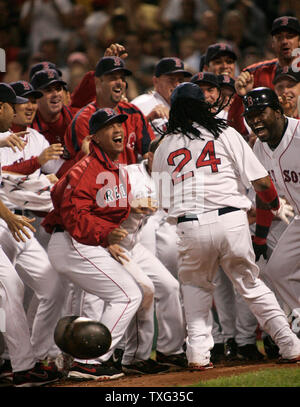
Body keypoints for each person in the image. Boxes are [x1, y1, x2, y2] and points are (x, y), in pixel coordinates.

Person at [152, 81, 300, 370]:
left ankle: (197, 354)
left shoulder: (164, 145)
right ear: (202, 106)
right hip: (231, 220)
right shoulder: (224, 132)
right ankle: (290, 344)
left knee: (195, 290)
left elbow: (164, 200)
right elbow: (261, 182)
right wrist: (273, 205)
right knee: (251, 286)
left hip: (189, 225)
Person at [42, 108, 144, 381]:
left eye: (120, 125)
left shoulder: (113, 169)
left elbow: (61, 193)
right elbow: (74, 215)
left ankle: (72, 357)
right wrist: (103, 235)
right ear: (94, 137)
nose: (118, 130)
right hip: (73, 241)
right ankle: (90, 360)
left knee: (94, 302)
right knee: (127, 295)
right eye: (109, 126)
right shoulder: (86, 168)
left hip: (84, 243)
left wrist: (106, 236)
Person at [0, 82, 62, 387]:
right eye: (14, 104)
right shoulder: (5, 139)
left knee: (52, 284)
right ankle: (21, 367)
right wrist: (10, 213)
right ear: (2, 108)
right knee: (10, 288)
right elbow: (8, 184)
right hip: (8, 220)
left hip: (18, 224)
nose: (19, 109)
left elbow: (16, 178)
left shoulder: (23, 138)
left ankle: (33, 358)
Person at [243, 86, 300, 326]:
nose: (254, 120)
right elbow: (263, 193)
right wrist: (260, 238)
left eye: (260, 113)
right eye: (250, 115)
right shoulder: (259, 147)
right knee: (277, 270)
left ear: (277, 111)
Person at [64, 56, 155, 164]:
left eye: (122, 78)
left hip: (130, 178)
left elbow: (149, 152)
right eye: (113, 78)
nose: (119, 82)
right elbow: (84, 165)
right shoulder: (84, 119)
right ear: (98, 82)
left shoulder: (133, 112)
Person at [229, 15, 300, 137]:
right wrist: (241, 96)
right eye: (279, 38)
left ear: (299, 41)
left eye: (290, 36)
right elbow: (235, 127)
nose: (284, 41)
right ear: (272, 43)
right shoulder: (254, 74)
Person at [30, 68, 79, 177]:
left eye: (58, 89)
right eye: (48, 90)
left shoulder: (78, 119)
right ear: (36, 97)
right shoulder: (29, 129)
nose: (55, 94)